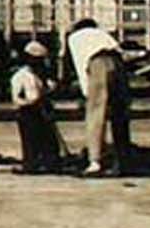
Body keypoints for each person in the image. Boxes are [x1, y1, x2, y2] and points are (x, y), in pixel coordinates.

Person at [64, 17, 130, 177]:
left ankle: (95, 162)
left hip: (97, 63)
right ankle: (123, 159)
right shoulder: (102, 34)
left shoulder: (74, 38)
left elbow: (80, 63)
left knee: (96, 114)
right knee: (120, 113)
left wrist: (86, 92)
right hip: (117, 63)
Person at [9, 39, 63, 173]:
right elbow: (17, 98)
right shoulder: (20, 76)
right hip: (28, 111)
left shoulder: (41, 76)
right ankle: (31, 163)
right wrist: (30, 102)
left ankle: (50, 162)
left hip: (42, 109)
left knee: (49, 138)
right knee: (30, 140)